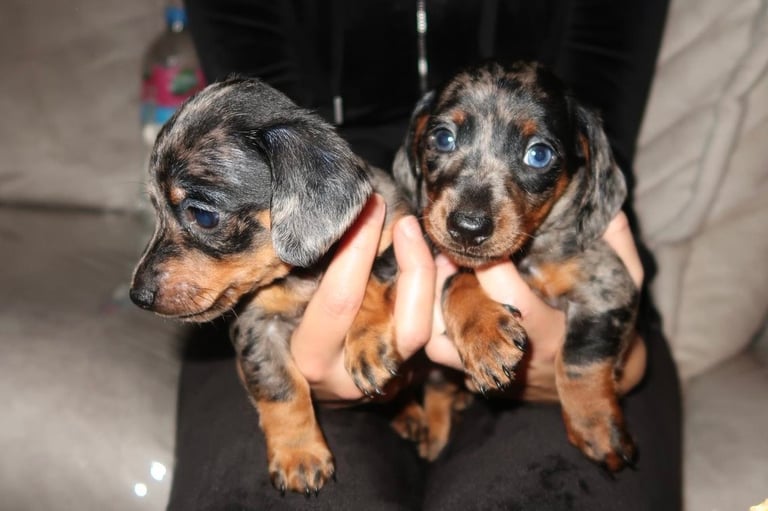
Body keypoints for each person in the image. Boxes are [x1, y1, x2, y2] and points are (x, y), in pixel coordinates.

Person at [169, 1, 681, 509]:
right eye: (443, 136)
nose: (471, 214)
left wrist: (611, 365)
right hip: (307, 293)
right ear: (421, 141)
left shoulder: (575, 149)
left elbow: (597, 148)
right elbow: (246, 145)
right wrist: (279, 371)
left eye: (537, 153)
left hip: (577, 331)